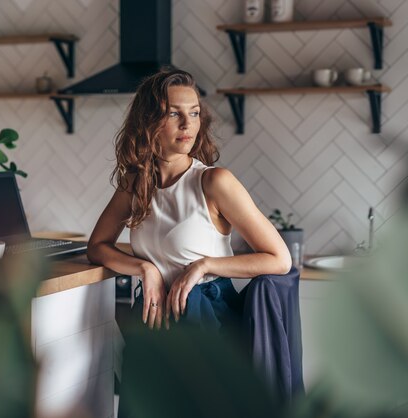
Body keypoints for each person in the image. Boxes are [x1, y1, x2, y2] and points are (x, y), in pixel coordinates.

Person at [87, 67, 291, 331]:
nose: (187, 124)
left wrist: (204, 266)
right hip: (154, 320)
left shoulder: (214, 182)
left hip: (207, 319)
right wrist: (145, 269)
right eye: (174, 113)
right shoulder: (134, 184)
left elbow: (279, 259)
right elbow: (97, 247)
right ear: (148, 121)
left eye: (194, 113)